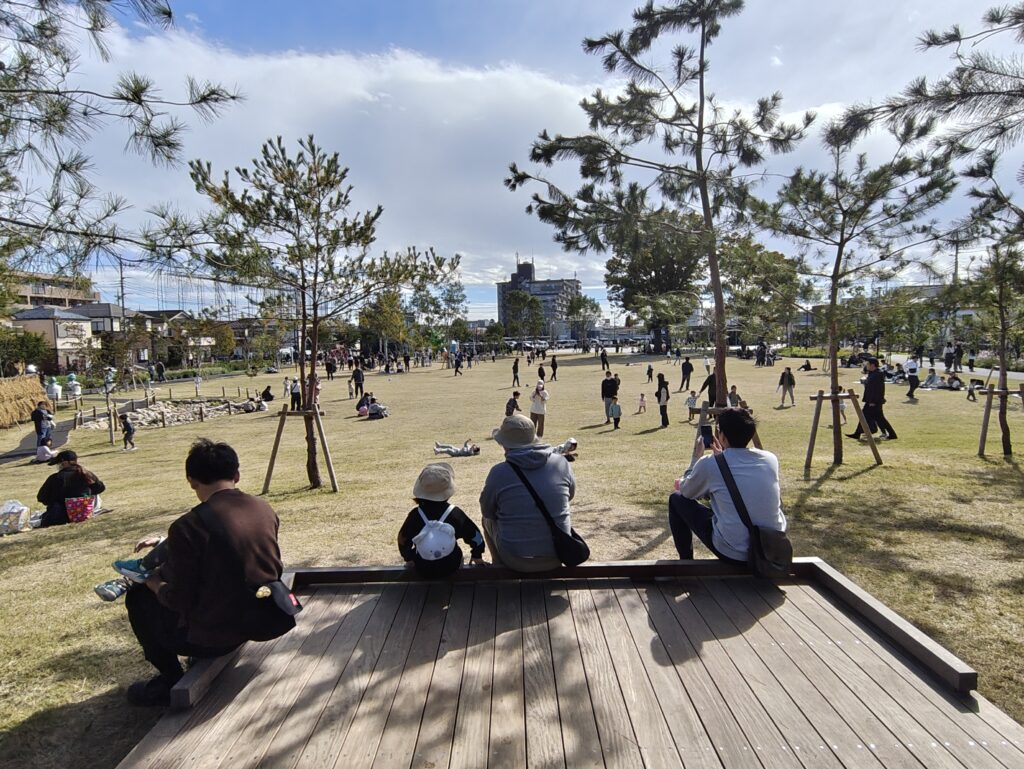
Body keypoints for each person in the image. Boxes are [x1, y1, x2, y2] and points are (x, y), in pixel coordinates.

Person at [121, 439, 290, 705]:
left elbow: (177, 598)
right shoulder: (262, 507)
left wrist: (150, 581)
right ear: (236, 474)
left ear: (191, 480)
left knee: (138, 598)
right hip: (263, 617)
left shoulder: (188, 525)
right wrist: (168, 544)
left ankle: (169, 679)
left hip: (217, 635)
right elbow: (229, 549)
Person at [668, 408, 787, 563]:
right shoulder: (770, 459)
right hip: (771, 548)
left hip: (734, 552)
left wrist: (696, 458)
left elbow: (686, 491)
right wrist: (721, 459)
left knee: (676, 499)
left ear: (722, 436)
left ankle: (686, 561)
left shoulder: (709, 464)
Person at [479, 414, 576, 572]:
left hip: (515, 560)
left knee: (486, 520)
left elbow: (487, 511)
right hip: (559, 554)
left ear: (505, 444)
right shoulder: (560, 463)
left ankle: (498, 566)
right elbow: (569, 496)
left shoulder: (499, 472)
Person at [398, 463, 486, 577]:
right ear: (448, 492)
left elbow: (402, 539)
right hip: (451, 566)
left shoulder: (415, 515)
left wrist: (409, 558)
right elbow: (475, 535)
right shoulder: (455, 513)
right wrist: (477, 555)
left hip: (423, 567)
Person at [36, 450, 105, 527]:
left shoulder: (55, 478)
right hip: (84, 513)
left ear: (65, 463)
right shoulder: (86, 474)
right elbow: (100, 488)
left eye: (59, 463)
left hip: (61, 517)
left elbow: (41, 497)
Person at [847, 358, 897, 441]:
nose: (866, 366)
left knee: (875, 418)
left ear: (872, 365)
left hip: (874, 401)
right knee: (871, 417)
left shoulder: (877, 374)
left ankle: (891, 434)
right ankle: (857, 433)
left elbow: (877, 389)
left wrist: (872, 401)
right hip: (871, 400)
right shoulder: (873, 373)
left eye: (868, 364)